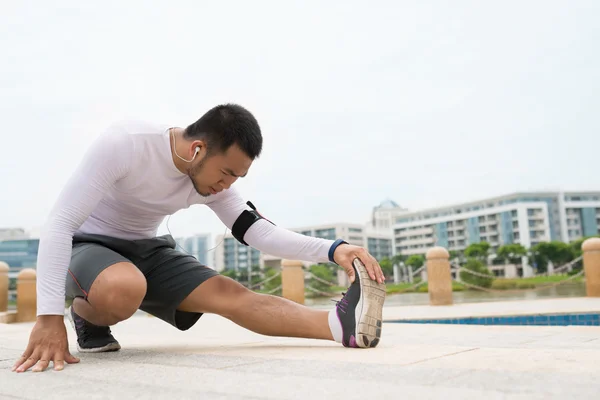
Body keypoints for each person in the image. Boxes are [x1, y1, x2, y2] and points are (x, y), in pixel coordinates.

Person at [12, 104, 386, 373]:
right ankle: (85, 317)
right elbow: (60, 223)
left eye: (236, 179)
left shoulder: (213, 180)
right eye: (225, 174)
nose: (226, 186)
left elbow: (258, 232)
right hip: (89, 247)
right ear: (197, 149)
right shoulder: (126, 143)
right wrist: (47, 318)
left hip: (148, 249)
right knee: (124, 286)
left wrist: (335, 250)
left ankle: (339, 327)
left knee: (229, 292)